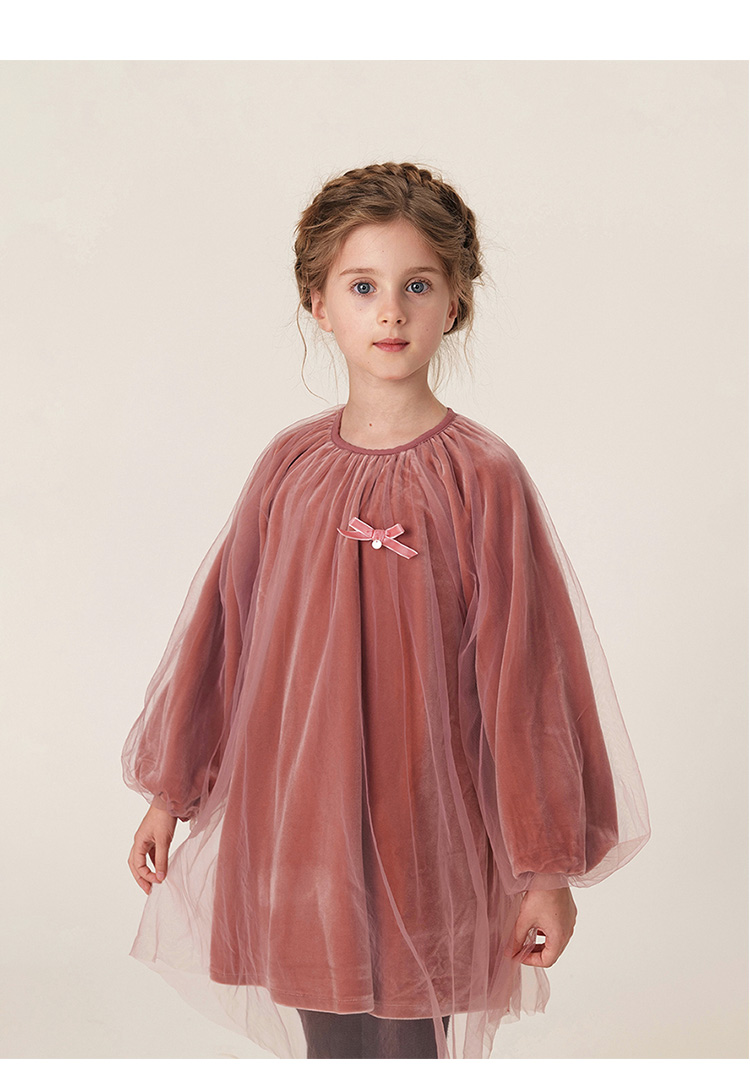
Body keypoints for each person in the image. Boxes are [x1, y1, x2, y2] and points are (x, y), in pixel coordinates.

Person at [122, 162, 650, 1060]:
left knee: (410, 1031)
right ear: (319, 304)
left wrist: (544, 867)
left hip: (428, 823)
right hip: (300, 818)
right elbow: (225, 632)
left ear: (456, 303)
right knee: (328, 1028)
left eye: (418, 285)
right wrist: (171, 792)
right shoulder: (289, 466)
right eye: (363, 287)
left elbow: (527, 678)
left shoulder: (482, 476)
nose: (391, 312)